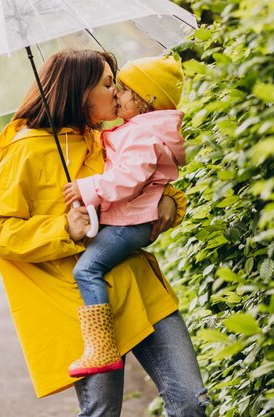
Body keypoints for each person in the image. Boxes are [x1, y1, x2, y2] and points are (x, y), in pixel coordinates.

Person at [0, 49, 208, 417]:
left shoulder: (109, 136)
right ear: (80, 90)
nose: (117, 91)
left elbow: (141, 178)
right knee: (102, 411)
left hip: (141, 290)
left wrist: (171, 199)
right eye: (107, 84)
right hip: (86, 308)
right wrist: (63, 228)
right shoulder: (25, 150)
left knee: (190, 402)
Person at [62, 55, 186, 379]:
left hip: (130, 223)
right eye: (111, 86)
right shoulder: (138, 130)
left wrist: (86, 188)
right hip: (130, 220)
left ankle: (101, 346)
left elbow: (130, 178)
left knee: (87, 270)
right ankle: (100, 344)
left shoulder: (142, 134)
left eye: (125, 89)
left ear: (148, 101)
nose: (117, 93)